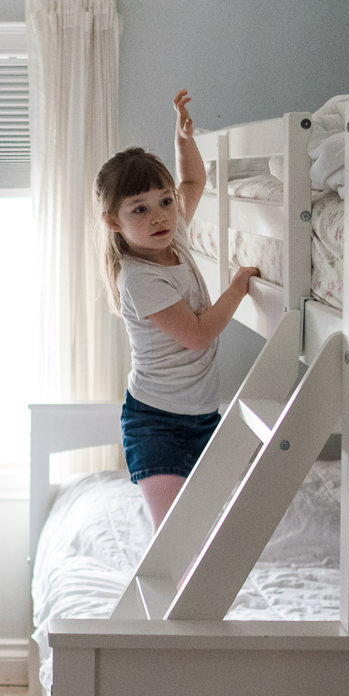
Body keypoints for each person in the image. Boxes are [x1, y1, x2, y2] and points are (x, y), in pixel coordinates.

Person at [99, 89, 260, 526]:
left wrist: (183, 138)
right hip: (155, 422)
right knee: (174, 540)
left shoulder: (176, 235)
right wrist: (237, 287)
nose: (159, 217)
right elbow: (198, 334)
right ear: (114, 221)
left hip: (203, 416)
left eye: (164, 202)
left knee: (202, 536)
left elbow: (193, 182)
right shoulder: (138, 277)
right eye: (140, 209)